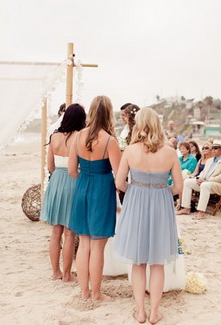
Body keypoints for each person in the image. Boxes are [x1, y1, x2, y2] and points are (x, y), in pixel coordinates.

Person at [114, 108, 182, 324]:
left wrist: (135, 191)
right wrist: (162, 192)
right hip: (161, 205)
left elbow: (119, 183)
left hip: (136, 204)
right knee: (157, 262)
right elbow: (179, 187)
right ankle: (154, 312)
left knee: (138, 262)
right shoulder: (170, 151)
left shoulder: (131, 151)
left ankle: (140, 311)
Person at [68, 95, 121, 301]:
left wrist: (85, 179)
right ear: (109, 114)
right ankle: (96, 294)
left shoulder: (79, 136)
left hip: (82, 188)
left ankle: (84, 293)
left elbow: (72, 170)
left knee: (84, 243)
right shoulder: (110, 141)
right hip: (102, 191)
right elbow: (119, 177)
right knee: (98, 245)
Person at [40, 103, 86, 282]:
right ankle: (67, 275)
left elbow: (50, 166)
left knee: (55, 232)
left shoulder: (54, 137)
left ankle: (55, 273)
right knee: (69, 232)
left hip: (56, 181)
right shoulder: (79, 137)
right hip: (73, 180)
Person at [178, 140, 221, 220]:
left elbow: (219, 177)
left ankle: (201, 212)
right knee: (187, 182)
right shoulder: (210, 160)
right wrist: (199, 178)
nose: (213, 150)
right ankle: (186, 208)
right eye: (213, 148)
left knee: (205, 185)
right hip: (207, 183)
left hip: (217, 185)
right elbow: (203, 172)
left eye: (216, 148)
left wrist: (208, 180)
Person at [173, 142, 197, 209]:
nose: (181, 150)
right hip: (177, 175)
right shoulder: (180, 158)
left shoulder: (192, 159)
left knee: (180, 182)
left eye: (183, 148)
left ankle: (179, 202)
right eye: (180, 149)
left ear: (188, 150)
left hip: (186, 176)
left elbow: (190, 171)